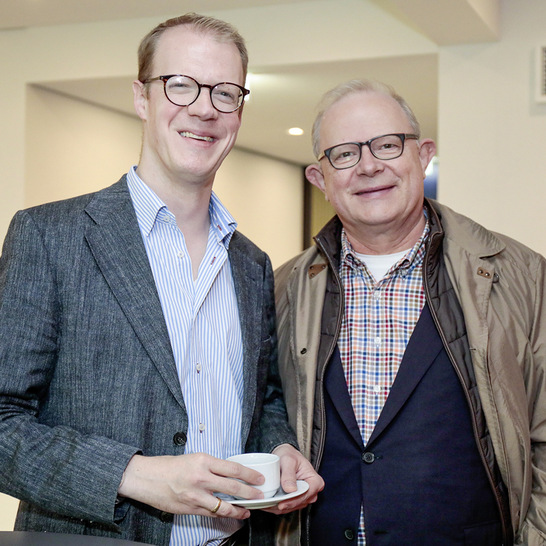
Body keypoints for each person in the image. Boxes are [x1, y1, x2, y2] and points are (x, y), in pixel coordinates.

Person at [0, 13, 322, 546]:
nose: (203, 107)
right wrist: (135, 475)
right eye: (180, 85)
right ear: (142, 98)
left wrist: (280, 449)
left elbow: (261, 401)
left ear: (239, 111)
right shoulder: (49, 236)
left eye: (225, 92)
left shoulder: (252, 264)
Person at [274, 79, 546, 545]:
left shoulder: (521, 277)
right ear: (320, 179)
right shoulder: (283, 289)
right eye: (344, 154)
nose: (369, 166)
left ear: (423, 155)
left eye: (387, 145)